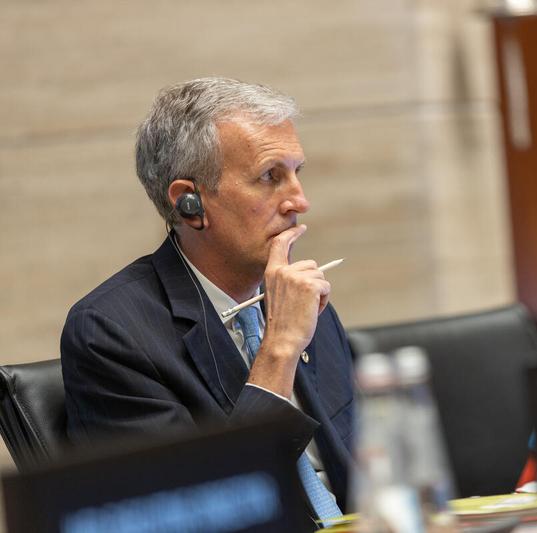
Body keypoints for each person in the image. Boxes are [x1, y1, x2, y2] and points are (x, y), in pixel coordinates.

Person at [60, 78, 353, 526]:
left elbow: (364, 473)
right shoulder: (111, 333)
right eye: (270, 177)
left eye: (297, 172)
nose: (300, 201)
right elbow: (204, 515)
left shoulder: (302, 300)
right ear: (190, 205)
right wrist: (278, 351)